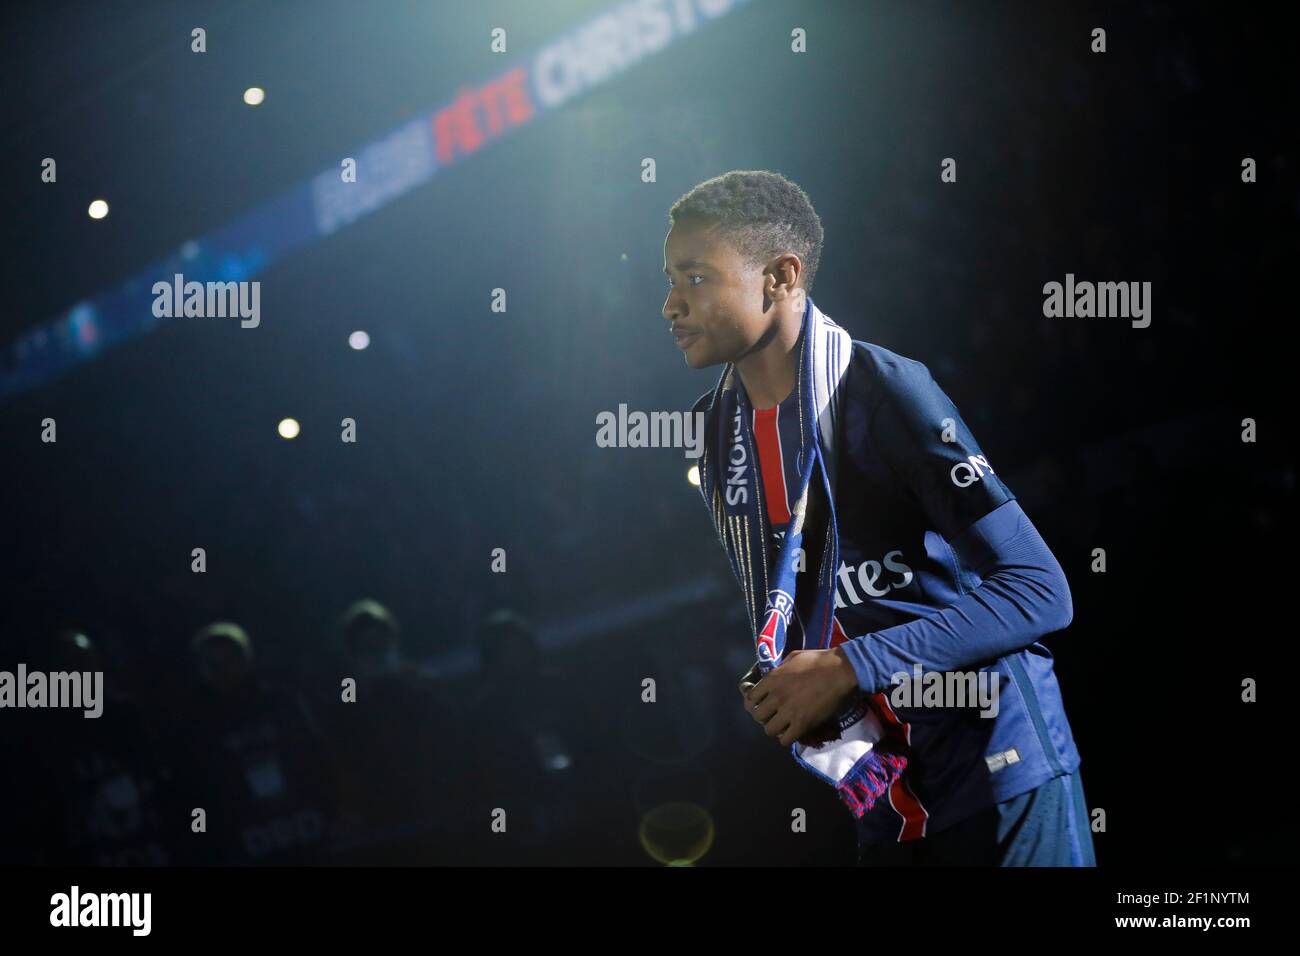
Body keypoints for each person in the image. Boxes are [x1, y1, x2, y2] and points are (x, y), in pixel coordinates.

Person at [663, 169, 1094, 866]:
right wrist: (781, 674)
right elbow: (804, 599)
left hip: (1001, 770)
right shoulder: (716, 434)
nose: (671, 305)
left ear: (779, 275)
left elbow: (1039, 589)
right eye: (670, 280)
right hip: (886, 797)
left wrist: (847, 665)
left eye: (696, 278)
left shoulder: (885, 392)